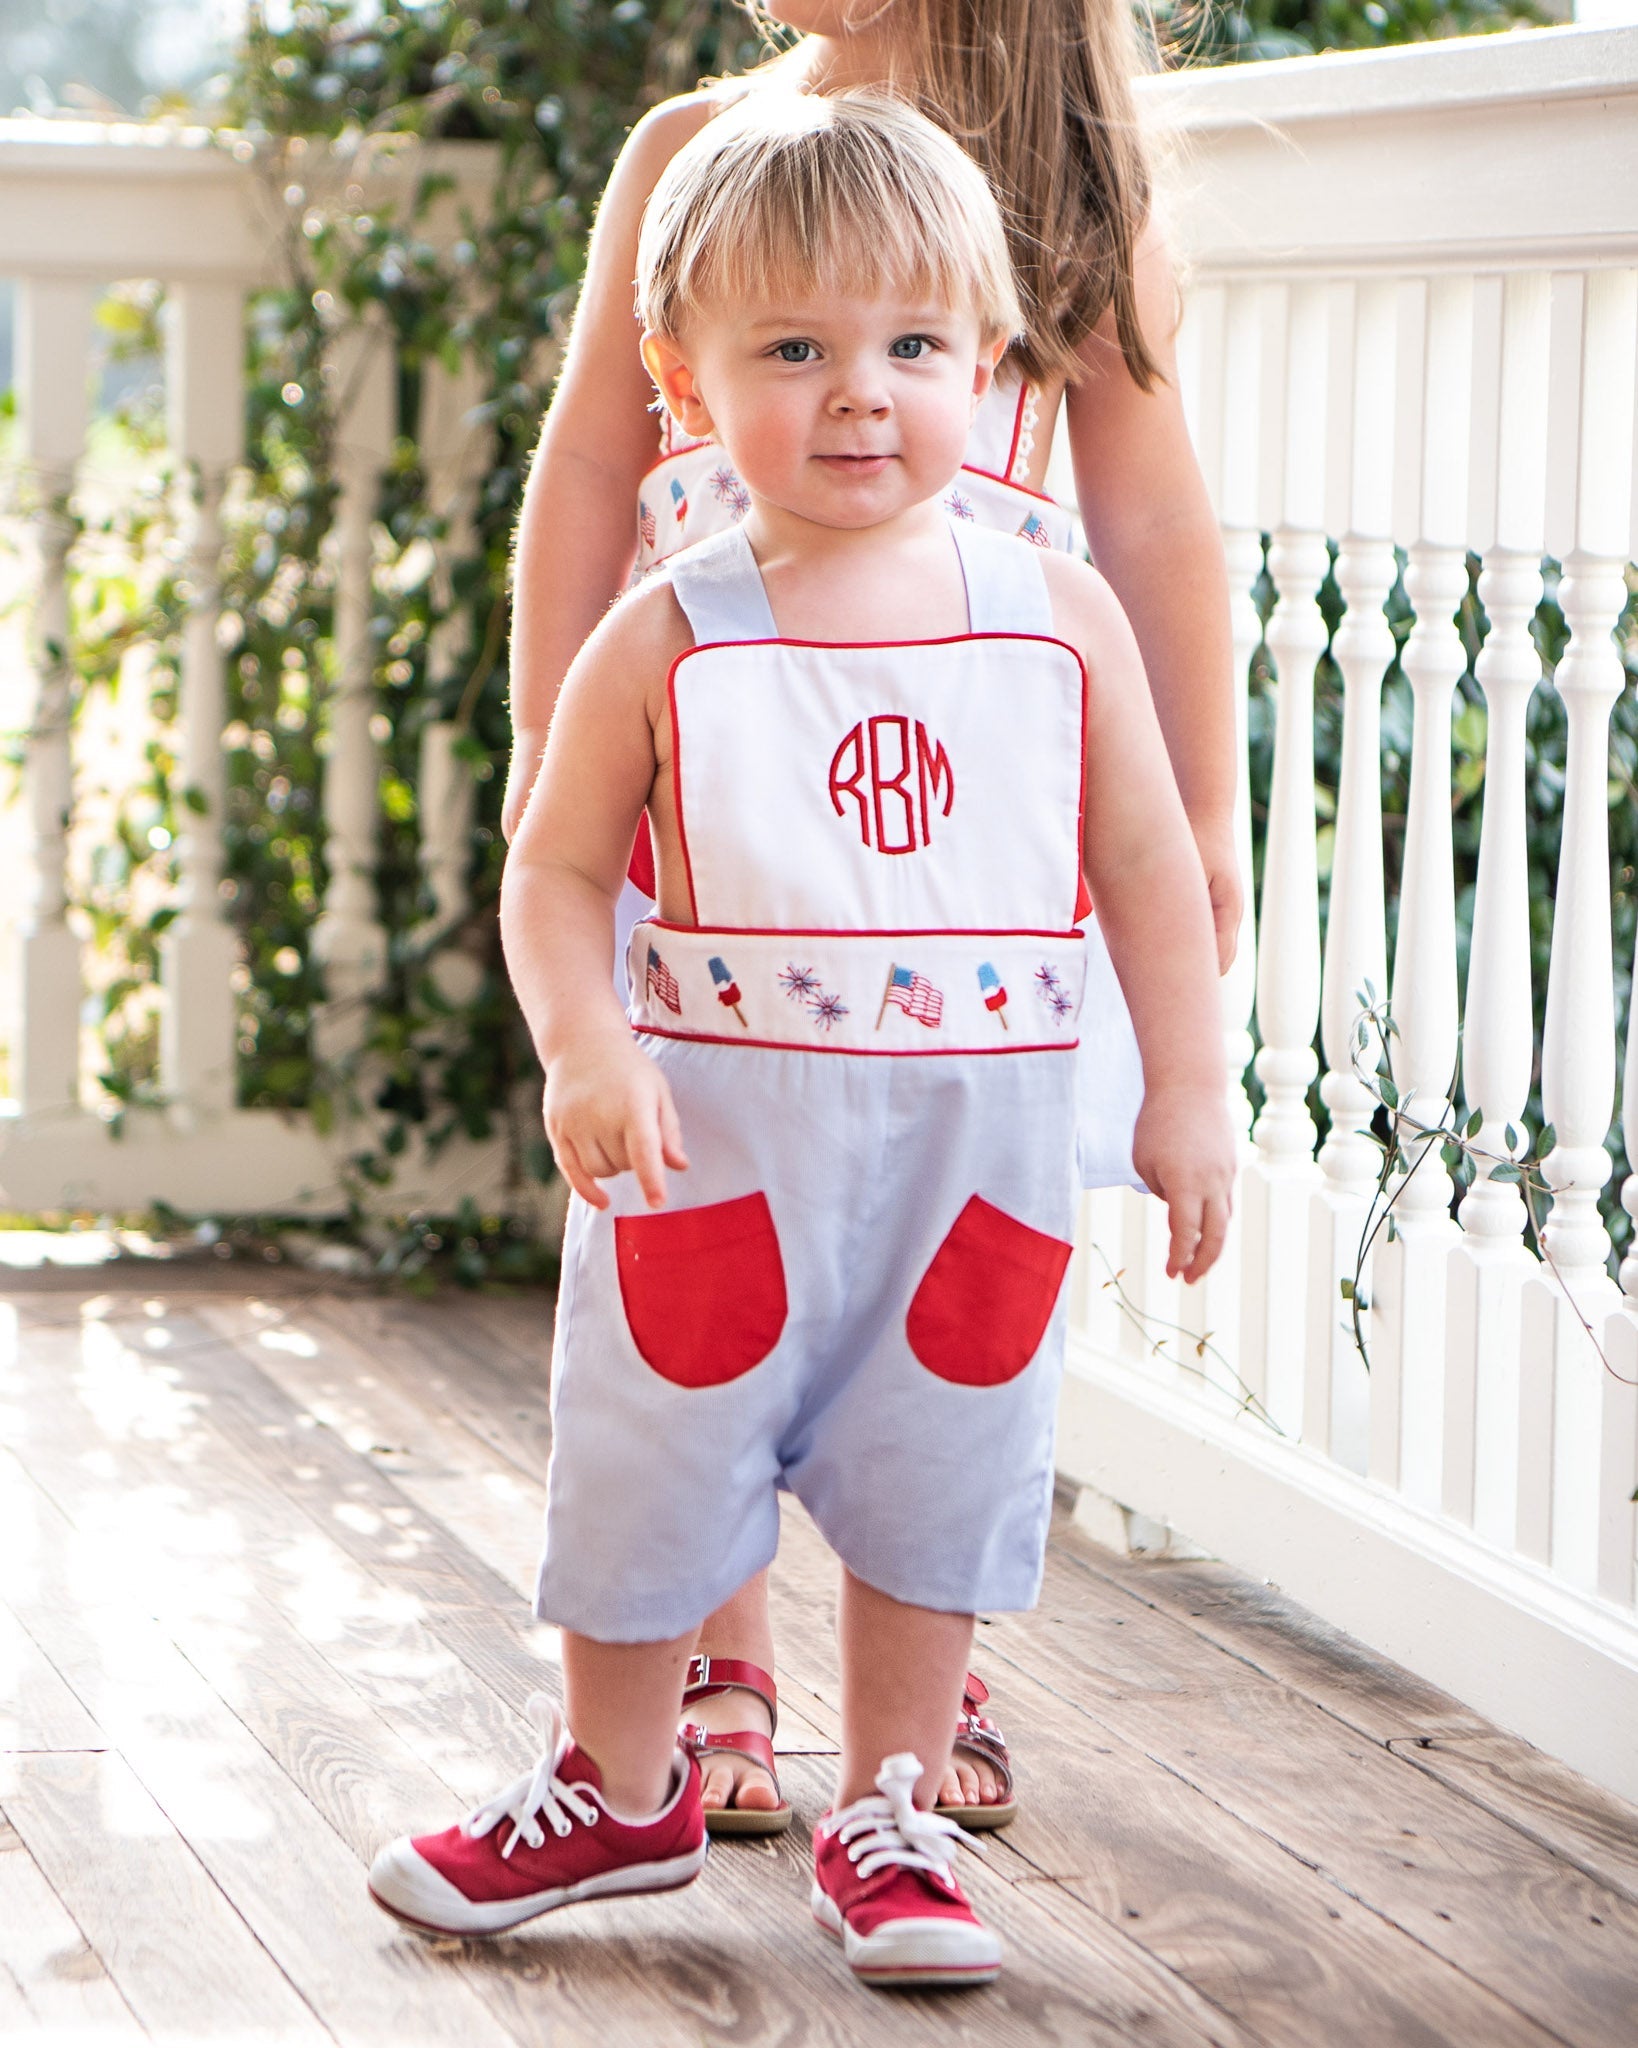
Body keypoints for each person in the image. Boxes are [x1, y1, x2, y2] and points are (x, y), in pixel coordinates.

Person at [368, 90, 1234, 1990]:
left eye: (910, 348)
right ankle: (619, 1782)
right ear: (685, 384)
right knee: (649, 1452)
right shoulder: (670, 633)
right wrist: (585, 1044)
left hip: (967, 1168)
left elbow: (1150, 871)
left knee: (944, 1466)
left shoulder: (1056, 621)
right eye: (794, 350)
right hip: (721, 1154)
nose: (860, 396)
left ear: (988, 365)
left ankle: (895, 1810)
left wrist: (1185, 1088)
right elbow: (554, 872)